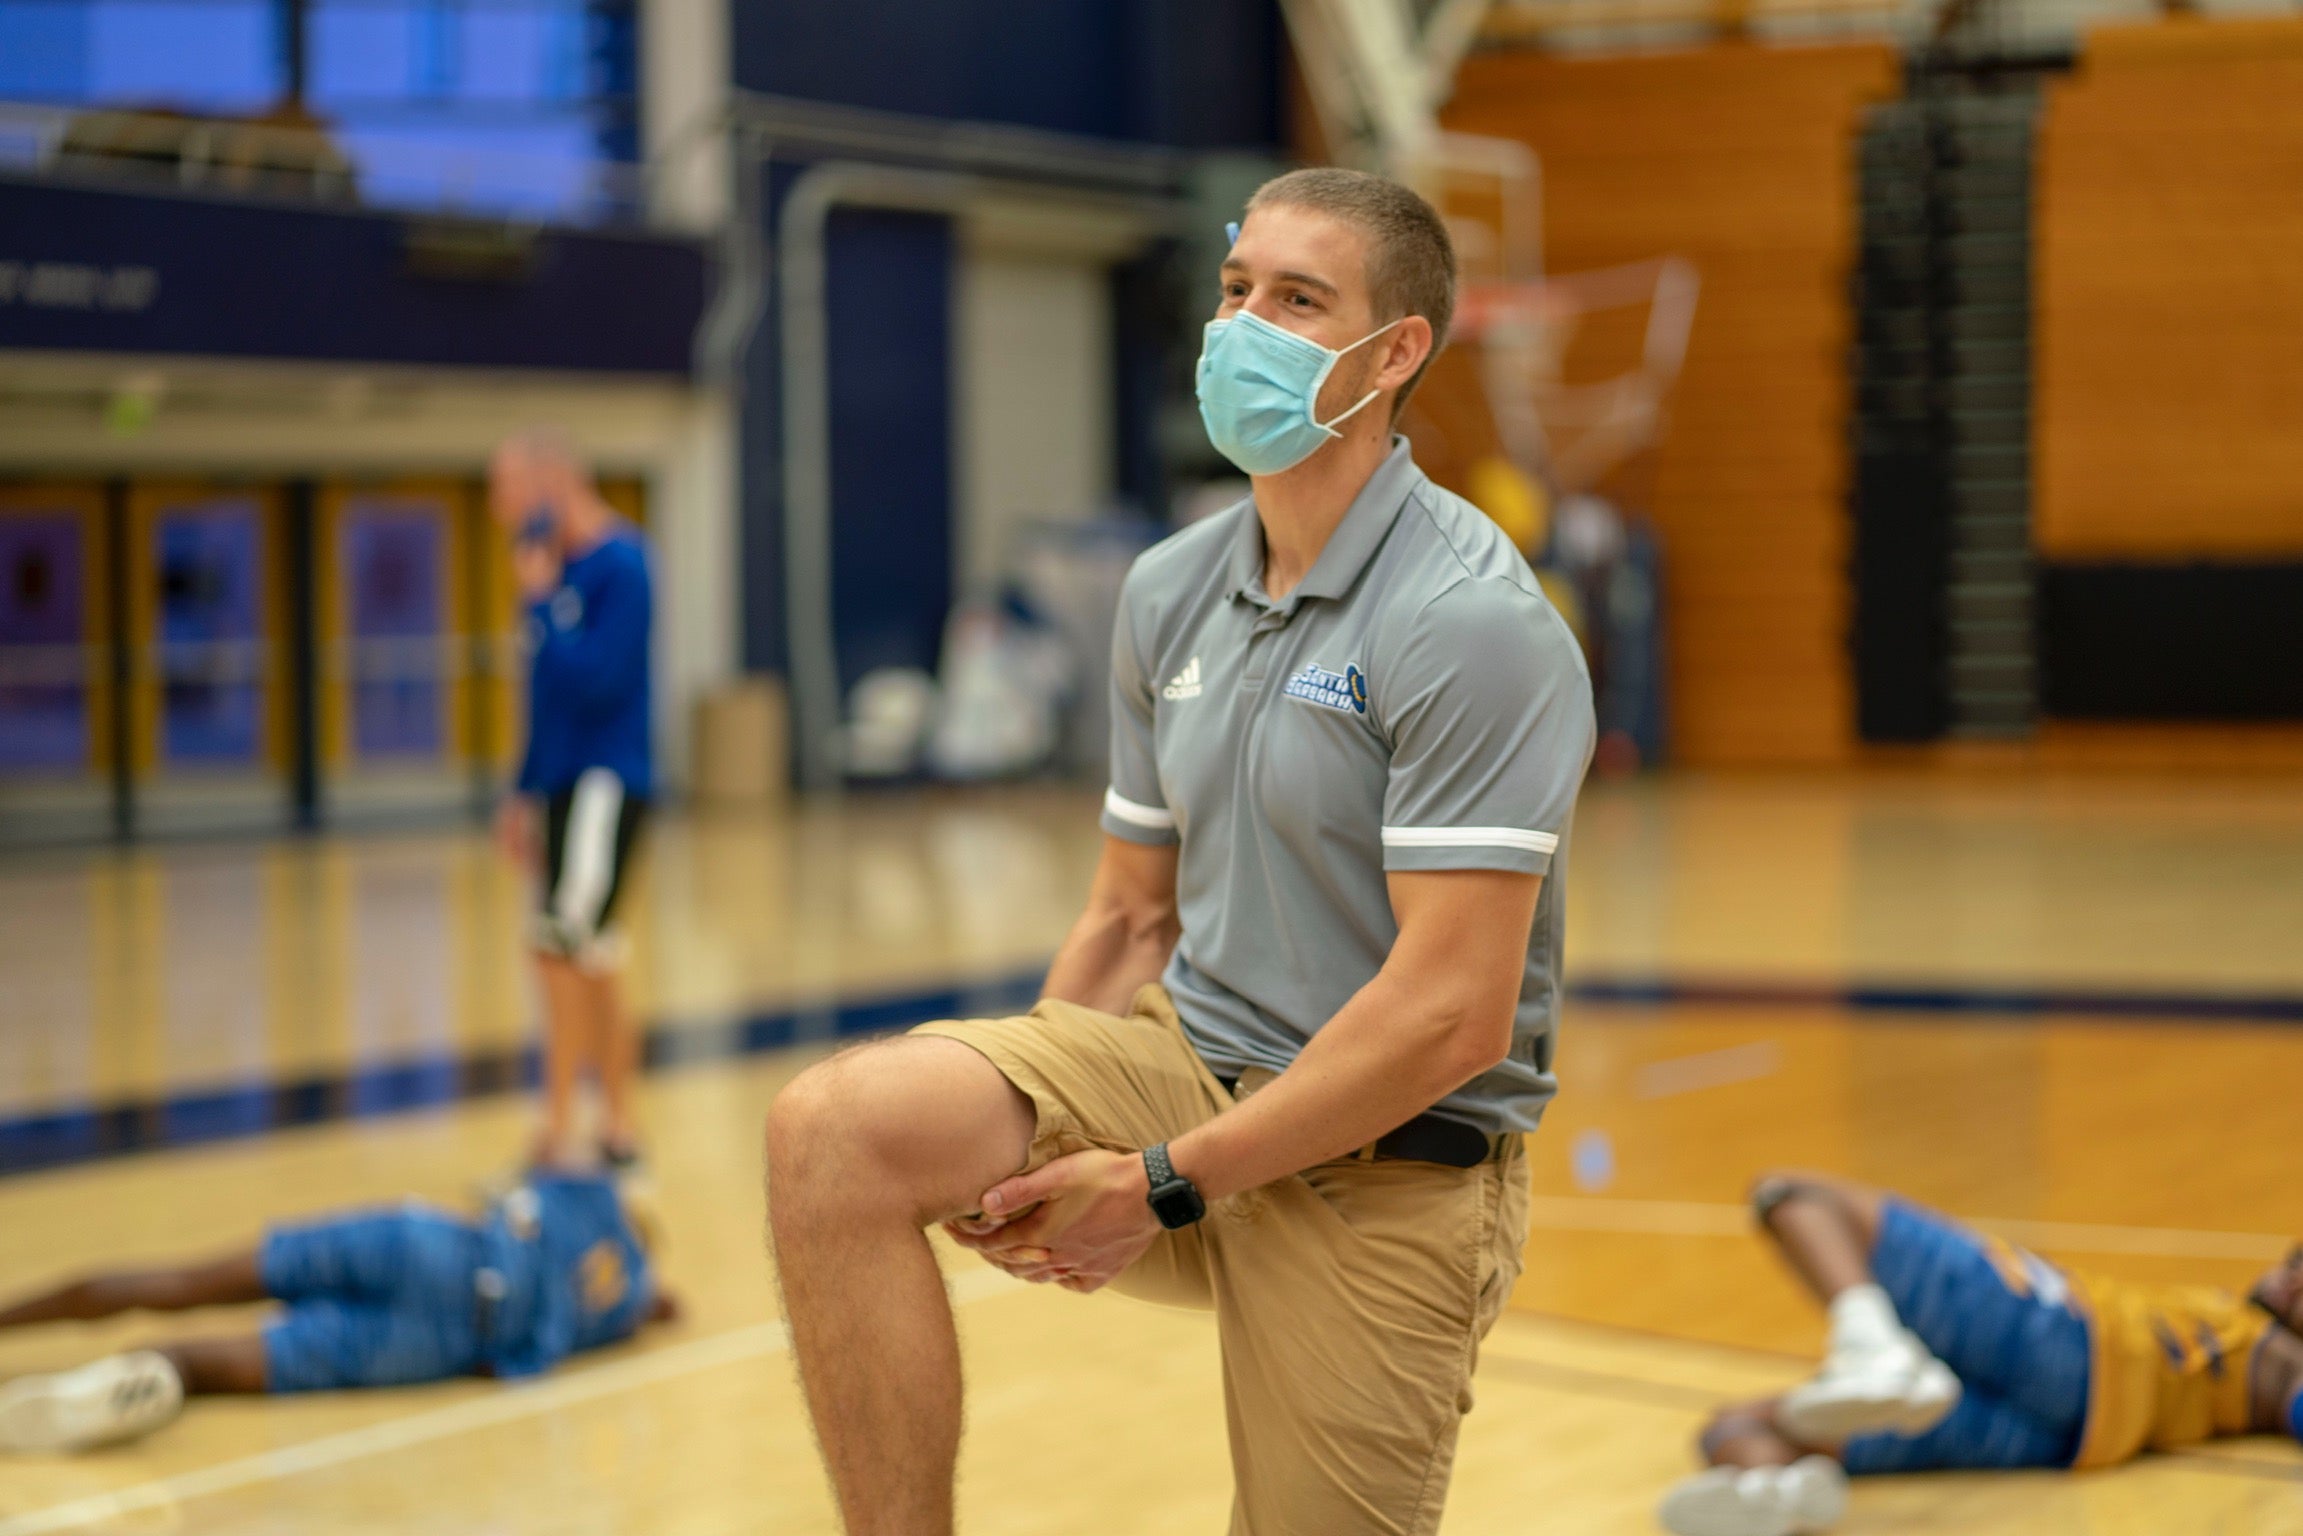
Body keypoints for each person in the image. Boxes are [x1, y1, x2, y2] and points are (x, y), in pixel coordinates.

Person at [765, 167, 1596, 1535]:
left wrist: (1154, 1189)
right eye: (1234, 290)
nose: (1241, 326)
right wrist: (1036, 1137)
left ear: (1393, 356)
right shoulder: (1167, 589)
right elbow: (1126, 917)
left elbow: (1452, 1013)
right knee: (834, 1136)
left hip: (1386, 1169)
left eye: (1295, 299)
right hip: (1182, 1069)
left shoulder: (1468, 620)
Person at [1657, 1170, 2303, 1536]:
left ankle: (1870, 1345)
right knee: (1733, 1426)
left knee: (1790, 1195)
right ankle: (1772, 1494)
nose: (2288, 1275)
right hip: (2054, 1441)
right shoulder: (2248, 1332)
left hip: (2072, 1344)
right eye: (2295, 1257)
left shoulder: (2282, 1360)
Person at [0, 1171, 676, 1454]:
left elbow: (510, 1186)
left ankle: (11, 1319)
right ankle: (144, 1377)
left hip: (426, 1245)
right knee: (215, 1365)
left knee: (185, 1280)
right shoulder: (630, 1300)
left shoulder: (589, 1192)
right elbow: (660, 1304)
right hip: (442, 1337)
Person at [488, 429, 655, 1169]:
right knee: (579, 951)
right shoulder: (552, 574)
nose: (499, 510)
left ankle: (575, 1129)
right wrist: (521, 793)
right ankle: (600, 1125)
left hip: (604, 783)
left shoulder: (621, 565)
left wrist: (541, 604)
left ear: (549, 487)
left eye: (506, 492)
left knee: (568, 949)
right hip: (558, 785)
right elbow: (544, 698)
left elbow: (597, 681)